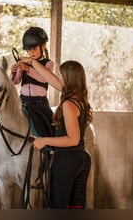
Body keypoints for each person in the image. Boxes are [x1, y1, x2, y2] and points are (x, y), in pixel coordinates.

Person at [19, 57, 93, 209]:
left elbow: (73, 139)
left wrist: (44, 141)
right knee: (75, 207)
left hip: (67, 160)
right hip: (81, 158)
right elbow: (50, 79)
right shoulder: (79, 99)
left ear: (68, 79)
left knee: (57, 207)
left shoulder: (68, 104)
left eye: (60, 75)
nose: (57, 78)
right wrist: (32, 63)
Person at [0, 26, 55, 169]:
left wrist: (29, 69)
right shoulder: (25, 62)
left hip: (40, 103)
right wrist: (15, 72)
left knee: (49, 124)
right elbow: (15, 82)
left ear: (43, 46)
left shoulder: (48, 64)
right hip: (22, 101)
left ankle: (51, 153)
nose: (31, 52)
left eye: (34, 48)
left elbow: (45, 79)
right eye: (28, 49)